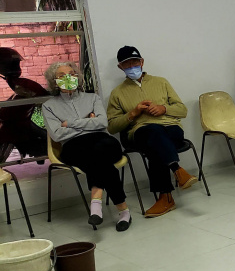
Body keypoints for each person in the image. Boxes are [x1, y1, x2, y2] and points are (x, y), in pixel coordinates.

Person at [107, 46, 197, 217]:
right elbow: (112, 127)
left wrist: (163, 109)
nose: (132, 66)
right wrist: (133, 113)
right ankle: (177, 170)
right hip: (140, 132)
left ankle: (166, 198)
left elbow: (182, 110)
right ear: (120, 67)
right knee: (153, 133)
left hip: (171, 129)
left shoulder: (161, 82)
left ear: (142, 62)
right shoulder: (117, 93)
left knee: (155, 145)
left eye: (135, 62)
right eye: (127, 64)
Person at [42, 61, 132, 231]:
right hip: (73, 147)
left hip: (103, 141)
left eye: (72, 73)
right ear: (54, 81)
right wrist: (89, 121)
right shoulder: (49, 106)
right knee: (98, 157)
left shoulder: (92, 98)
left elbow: (102, 123)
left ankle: (96, 205)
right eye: (62, 75)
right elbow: (56, 134)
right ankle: (123, 211)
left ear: (78, 77)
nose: (68, 77)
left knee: (98, 153)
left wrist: (69, 124)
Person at [0, 47, 48, 160]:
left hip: (25, 122)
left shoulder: (23, 84)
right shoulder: (19, 83)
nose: (16, 67)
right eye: (13, 64)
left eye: (15, 64)